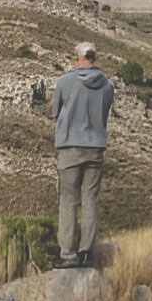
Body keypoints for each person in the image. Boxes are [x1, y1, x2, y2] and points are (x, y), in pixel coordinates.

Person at [51, 41, 114, 267]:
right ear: (94, 57)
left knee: (68, 201)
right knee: (91, 200)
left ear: (78, 56)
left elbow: (55, 111)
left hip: (70, 147)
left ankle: (68, 254)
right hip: (95, 147)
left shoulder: (66, 81)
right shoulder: (108, 85)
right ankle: (87, 252)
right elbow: (104, 115)